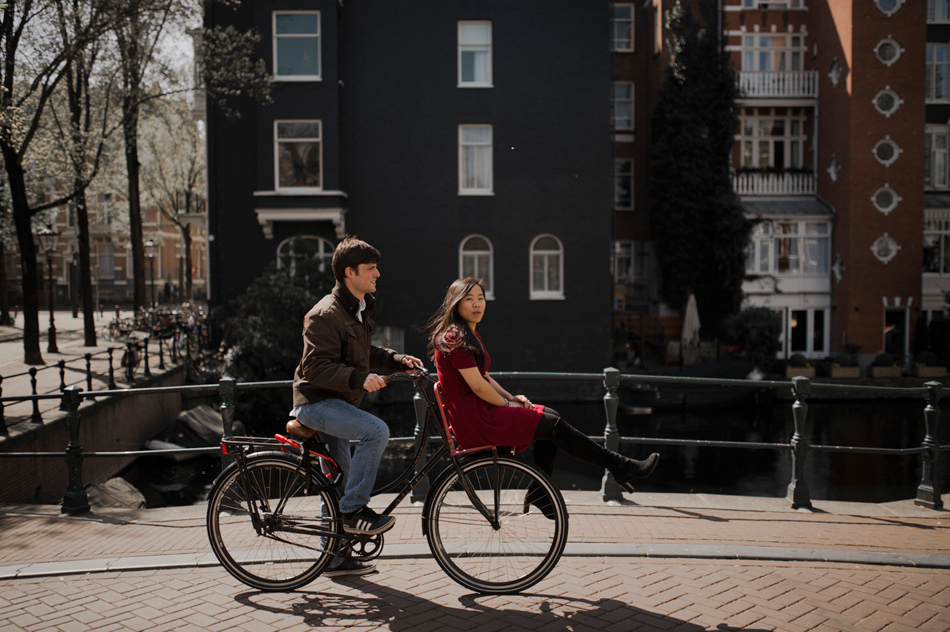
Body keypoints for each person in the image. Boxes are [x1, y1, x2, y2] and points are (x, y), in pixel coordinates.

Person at [426, 277, 659, 518]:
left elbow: (484, 377)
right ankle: (620, 466)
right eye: (469, 299)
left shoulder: (467, 334)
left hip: (481, 411)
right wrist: (507, 404)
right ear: (456, 304)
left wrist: (511, 397)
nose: (477, 304)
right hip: (477, 420)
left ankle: (541, 490)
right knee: (552, 425)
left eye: (481, 298)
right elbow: (477, 386)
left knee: (550, 417)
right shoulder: (454, 338)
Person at [290, 236, 422, 576]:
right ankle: (353, 513)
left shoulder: (356, 311)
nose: (377, 274)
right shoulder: (323, 315)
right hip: (316, 403)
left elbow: (367, 353)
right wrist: (359, 378)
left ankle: (332, 557)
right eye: (371, 269)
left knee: (338, 481)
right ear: (350, 273)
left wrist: (397, 360)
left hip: (336, 402)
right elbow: (315, 368)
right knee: (376, 431)